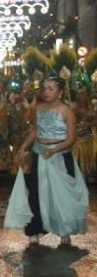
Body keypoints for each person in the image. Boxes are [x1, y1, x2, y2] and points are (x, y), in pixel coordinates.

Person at [5, 77, 88, 248]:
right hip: (40, 154)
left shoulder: (67, 111)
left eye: (51, 89)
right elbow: (35, 130)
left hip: (60, 156)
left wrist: (54, 150)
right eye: (45, 88)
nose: (47, 92)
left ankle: (64, 232)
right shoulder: (39, 108)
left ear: (60, 92)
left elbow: (71, 138)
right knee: (36, 193)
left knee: (62, 195)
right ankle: (34, 231)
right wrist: (23, 148)